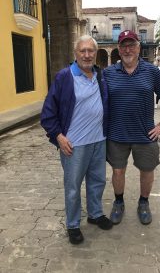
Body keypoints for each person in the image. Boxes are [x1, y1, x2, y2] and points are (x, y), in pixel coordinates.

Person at [41, 35, 113, 245]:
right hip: (74, 145)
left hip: (99, 141)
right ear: (75, 53)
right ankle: (73, 225)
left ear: (96, 53)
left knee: (97, 181)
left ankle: (95, 214)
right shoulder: (65, 77)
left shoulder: (100, 76)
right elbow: (47, 113)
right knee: (73, 187)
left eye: (91, 50)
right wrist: (58, 136)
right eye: (83, 51)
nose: (87, 55)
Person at [103, 30, 160, 225]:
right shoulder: (108, 73)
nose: (128, 49)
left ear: (138, 47)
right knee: (117, 172)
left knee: (147, 170)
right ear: (118, 49)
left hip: (145, 134)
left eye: (131, 45)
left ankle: (143, 203)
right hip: (116, 135)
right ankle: (119, 202)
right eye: (124, 45)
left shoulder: (151, 71)